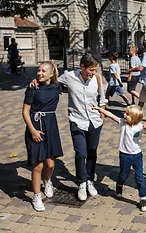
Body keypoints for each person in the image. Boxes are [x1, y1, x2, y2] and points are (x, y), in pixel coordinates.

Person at [31, 54, 107, 201]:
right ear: (82, 67)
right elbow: (52, 83)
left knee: (92, 152)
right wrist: (36, 80)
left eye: (95, 70)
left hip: (94, 122)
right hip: (77, 120)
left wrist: (101, 118)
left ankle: (90, 180)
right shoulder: (69, 76)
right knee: (81, 153)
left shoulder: (96, 78)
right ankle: (82, 183)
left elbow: (102, 98)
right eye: (90, 70)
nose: (93, 73)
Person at [91, 104, 146, 212]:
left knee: (139, 177)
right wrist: (99, 109)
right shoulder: (122, 123)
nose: (124, 115)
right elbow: (110, 115)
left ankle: (142, 198)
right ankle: (119, 185)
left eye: (127, 114)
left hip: (137, 156)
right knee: (123, 175)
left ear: (134, 118)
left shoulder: (140, 127)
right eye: (125, 113)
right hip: (124, 155)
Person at [22, 61, 63, 211]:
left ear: (51, 74)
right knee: (38, 164)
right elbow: (25, 111)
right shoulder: (33, 87)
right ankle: (36, 196)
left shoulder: (57, 87)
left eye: (43, 71)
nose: (39, 73)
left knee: (51, 164)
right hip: (36, 126)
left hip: (51, 126)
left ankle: (47, 181)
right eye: (38, 71)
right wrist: (32, 131)